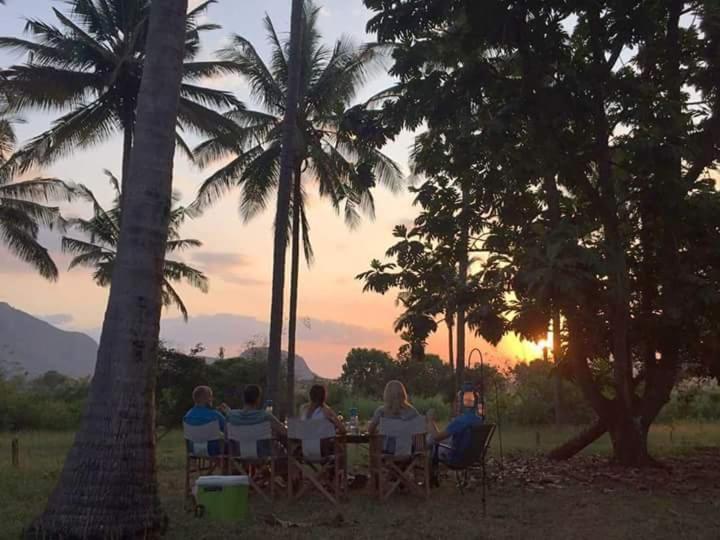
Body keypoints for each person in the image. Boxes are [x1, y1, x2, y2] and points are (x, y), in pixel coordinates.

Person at [183, 385, 226, 456]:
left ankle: (222, 465)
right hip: (212, 450)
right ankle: (228, 466)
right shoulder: (215, 415)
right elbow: (228, 429)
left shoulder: (187, 416)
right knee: (231, 446)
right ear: (207, 399)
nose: (212, 399)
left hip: (193, 449)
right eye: (211, 396)